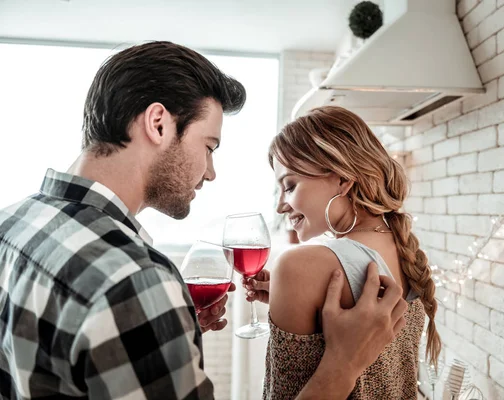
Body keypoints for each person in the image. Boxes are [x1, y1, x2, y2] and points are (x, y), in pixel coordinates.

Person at [0, 41, 408, 400]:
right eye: (209, 146)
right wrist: (343, 365)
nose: (211, 171)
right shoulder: (134, 281)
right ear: (158, 123)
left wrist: (162, 329)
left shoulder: (12, 225)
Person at [244, 105, 441, 399]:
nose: (280, 206)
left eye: (289, 186)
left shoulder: (298, 265)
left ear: (342, 179)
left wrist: (295, 286)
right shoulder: (402, 247)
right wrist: (295, 297)